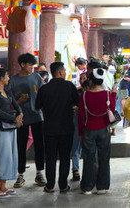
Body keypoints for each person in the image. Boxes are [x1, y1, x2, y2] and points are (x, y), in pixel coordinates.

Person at [35, 61, 79, 193]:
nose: (65, 73)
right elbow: (77, 103)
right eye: (64, 71)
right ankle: (63, 185)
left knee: (50, 157)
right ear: (60, 72)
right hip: (66, 128)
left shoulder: (44, 89)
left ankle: (49, 185)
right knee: (65, 157)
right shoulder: (69, 86)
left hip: (49, 129)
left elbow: (37, 106)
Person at [9, 53, 46, 188]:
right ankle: (20, 175)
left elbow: (42, 95)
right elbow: (10, 103)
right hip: (21, 117)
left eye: (33, 64)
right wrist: (19, 101)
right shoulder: (13, 81)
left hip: (37, 116)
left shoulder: (36, 77)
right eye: (30, 64)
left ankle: (39, 173)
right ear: (23, 65)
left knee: (40, 146)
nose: (32, 67)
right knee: (21, 145)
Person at [77, 68, 116, 194]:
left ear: (91, 81)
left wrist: (80, 133)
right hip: (104, 129)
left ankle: (87, 187)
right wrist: (114, 94)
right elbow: (113, 108)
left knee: (88, 158)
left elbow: (81, 116)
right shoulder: (106, 94)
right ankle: (102, 187)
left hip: (88, 130)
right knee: (104, 158)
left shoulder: (84, 95)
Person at [0, 68, 22, 199]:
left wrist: (20, 114)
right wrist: (14, 117)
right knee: (2, 155)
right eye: (7, 76)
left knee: (11, 154)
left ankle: (3, 186)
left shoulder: (7, 91)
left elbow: (16, 104)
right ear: (1, 78)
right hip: (1, 125)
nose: (9, 78)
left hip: (11, 125)